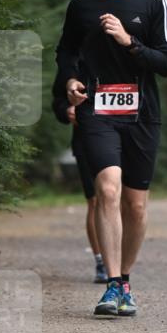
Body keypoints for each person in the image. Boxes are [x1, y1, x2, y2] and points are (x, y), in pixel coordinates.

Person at [56, 0, 167, 317]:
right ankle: (111, 286)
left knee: (135, 205)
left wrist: (129, 42)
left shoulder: (153, 0)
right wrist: (70, 81)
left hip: (142, 113)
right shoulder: (82, 3)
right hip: (97, 111)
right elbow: (65, 51)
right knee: (107, 188)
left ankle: (125, 279)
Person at [52, 78, 107, 283]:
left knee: (120, 200)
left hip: (122, 136)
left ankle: (119, 259)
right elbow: (58, 100)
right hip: (85, 140)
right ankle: (101, 260)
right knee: (95, 200)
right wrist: (66, 110)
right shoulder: (72, 63)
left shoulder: (124, 50)